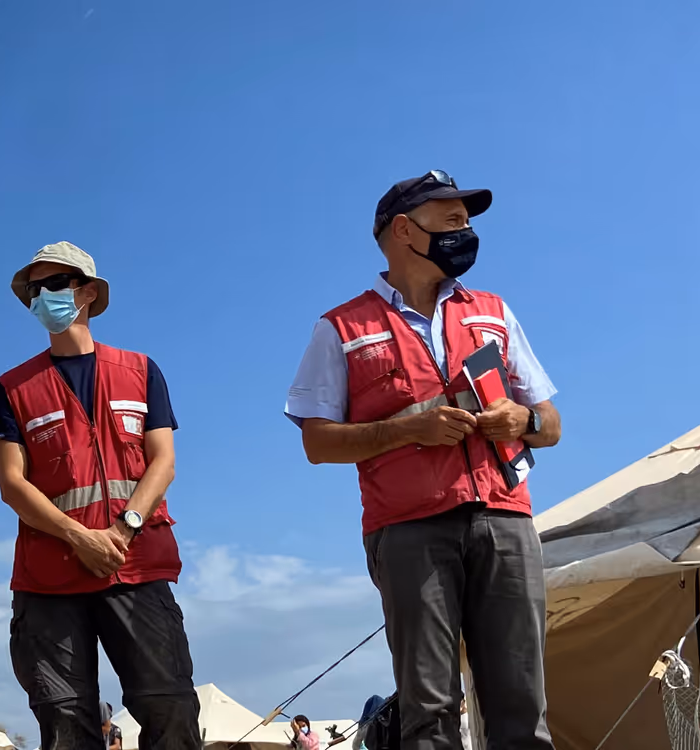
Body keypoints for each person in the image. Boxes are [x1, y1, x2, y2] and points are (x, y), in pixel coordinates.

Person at [285, 171, 561, 750]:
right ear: (405, 230)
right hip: (409, 529)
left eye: (467, 220)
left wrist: (523, 421)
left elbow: (551, 423)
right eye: (453, 220)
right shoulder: (340, 328)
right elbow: (317, 442)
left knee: (522, 704)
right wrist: (405, 429)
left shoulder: (493, 311)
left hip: (506, 518)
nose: (466, 232)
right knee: (429, 711)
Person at [0, 242, 201, 749]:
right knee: (65, 722)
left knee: (169, 707)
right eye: (35, 290)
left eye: (54, 285)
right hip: (49, 580)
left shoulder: (141, 371)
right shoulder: (11, 389)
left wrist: (121, 531)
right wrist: (80, 537)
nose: (42, 297)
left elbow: (162, 462)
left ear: (87, 293)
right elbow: (12, 484)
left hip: (136, 565)